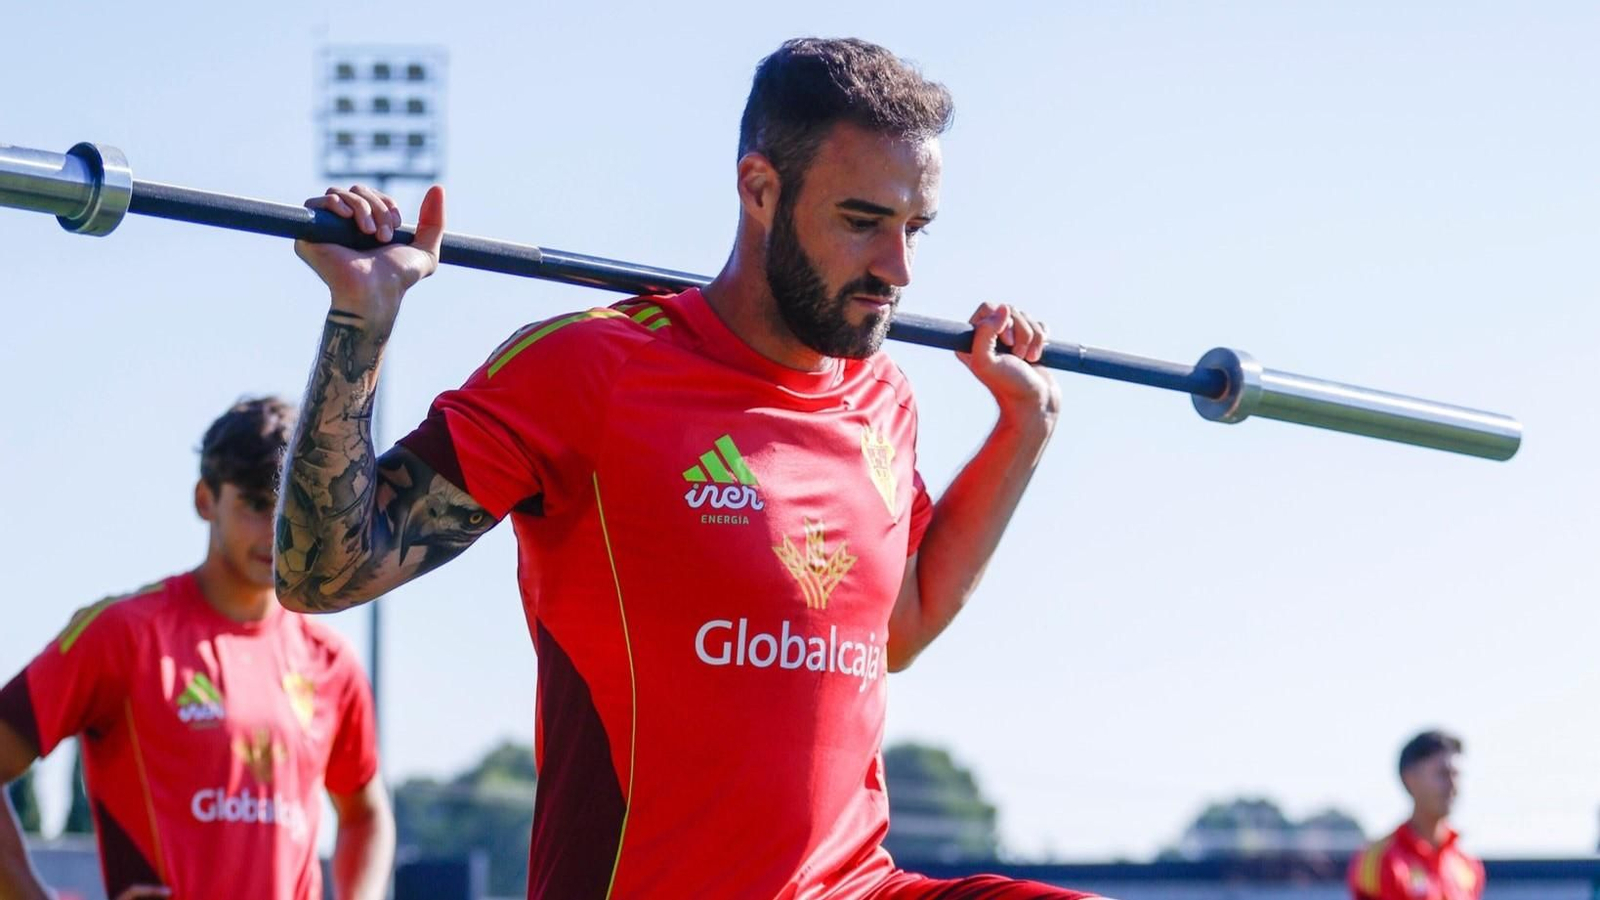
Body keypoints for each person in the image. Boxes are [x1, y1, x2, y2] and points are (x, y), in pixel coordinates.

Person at [278, 37, 1095, 900]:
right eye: (863, 222)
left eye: (914, 229)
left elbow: (899, 625)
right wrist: (358, 323)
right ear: (760, 190)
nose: (898, 269)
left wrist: (1025, 428)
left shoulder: (883, 398)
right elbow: (319, 572)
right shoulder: (588, 370)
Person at [0, 398, 393, 900]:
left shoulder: (331, 664)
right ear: (205, 499)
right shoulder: (125, 633)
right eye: (255, 503)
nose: (277, 529)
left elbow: (365, 815)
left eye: (294, 506)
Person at [1348, 730, 1484, 900]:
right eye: (1442, 774)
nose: (1452, 785)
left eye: (1456, 774)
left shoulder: (1467, 864)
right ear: (1410, 779)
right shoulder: (1379, 858)